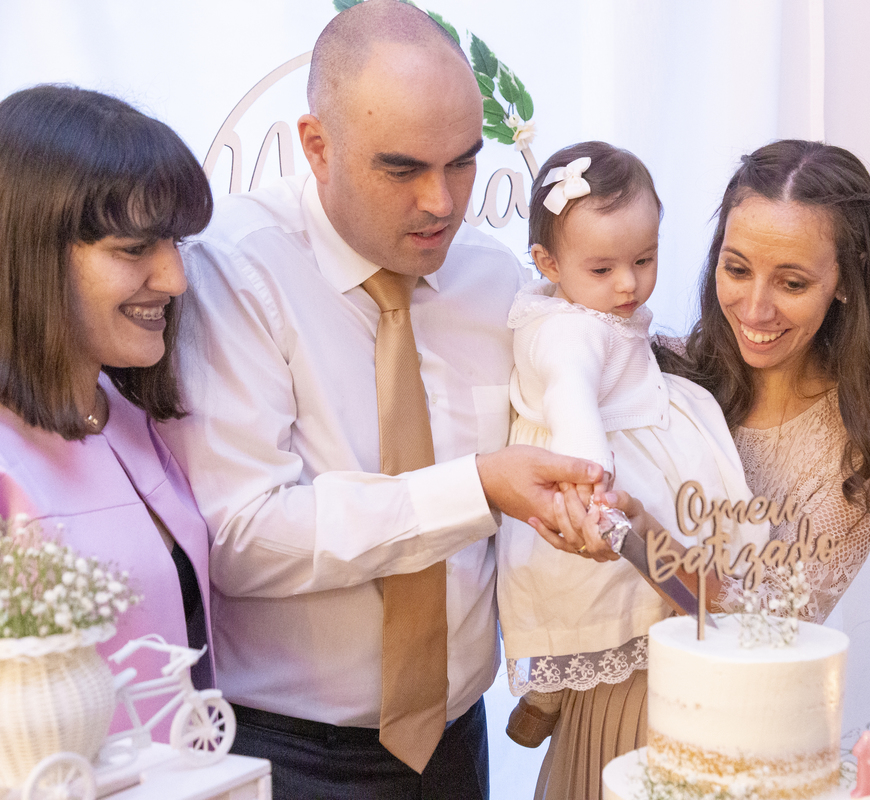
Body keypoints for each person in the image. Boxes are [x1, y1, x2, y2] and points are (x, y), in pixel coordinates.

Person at [157, 3, 611, 798]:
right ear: (316, 146)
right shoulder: (233, 271)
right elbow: (242, 536)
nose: (442, 201)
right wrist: (476, 488)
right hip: (285, 751)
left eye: (463, 163)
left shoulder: (493, 278)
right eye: (403, 169)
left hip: (456, 741)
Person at [497, 142, 766, 800]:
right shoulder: (568, 334)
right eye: (603, 268)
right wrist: (591, 477)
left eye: (644, 260)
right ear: (548, 263)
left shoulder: (590, 312)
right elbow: (571, 397)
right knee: (606, 596)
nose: (628, 285)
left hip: (633, 451)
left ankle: (548, 699)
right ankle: (551, 695)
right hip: (595, 486)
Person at [0, 84, 215, 736]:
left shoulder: (129, 416)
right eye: (134, 248)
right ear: (29, 251)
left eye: (174, 242)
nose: (175, 279)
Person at [656, 139, 870, 622]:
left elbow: (768, 625)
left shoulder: (859, 455)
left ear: (847, 280)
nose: (755, 310)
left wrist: (634, 535)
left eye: (792, 283)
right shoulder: (655, 370)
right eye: (737, 269)